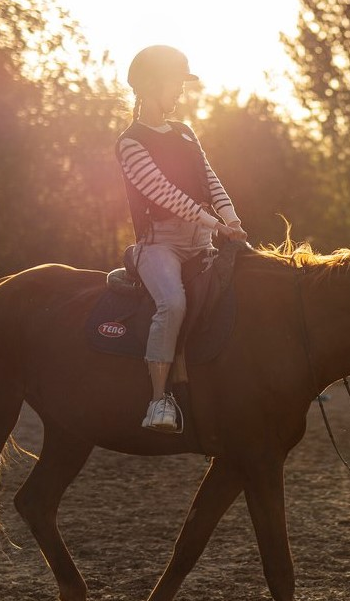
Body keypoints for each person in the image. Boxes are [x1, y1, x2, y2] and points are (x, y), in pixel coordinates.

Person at [117, 45, 248, 432]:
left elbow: (210, 179)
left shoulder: (186, 133)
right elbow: (163, 193)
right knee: (172, 304)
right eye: (175, 83)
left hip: (203, 237)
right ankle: (159, 401)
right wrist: (215, 224)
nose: (180, 92)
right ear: (150, 85)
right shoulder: (130, 142)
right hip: (160, 245)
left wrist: (232, 218)